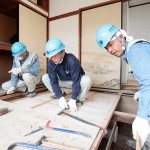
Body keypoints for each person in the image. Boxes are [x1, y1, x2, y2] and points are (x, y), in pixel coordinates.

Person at [96, 24, 150, 149]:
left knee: (144, 118)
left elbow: (148, 81)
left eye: (110, 44)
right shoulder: (130, 53)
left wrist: (142, 117)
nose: (109, 50)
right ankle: (144, 144)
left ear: (121, 37)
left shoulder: (136, 50)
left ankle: (144, 144)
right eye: (106, 48)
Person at [42, 38, 92, 112]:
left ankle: (79, 99)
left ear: (62, 52)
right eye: (51, 57)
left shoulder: (72, 60)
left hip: (76, 81)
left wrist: (73, 99)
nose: (52, 59)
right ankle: (61, 93)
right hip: (63, 80)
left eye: (54, 56)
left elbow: (76, 81)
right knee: (45, 77)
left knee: (87, 80)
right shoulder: (51, 63)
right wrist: (60, 98)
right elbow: (53, 81)